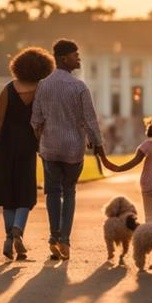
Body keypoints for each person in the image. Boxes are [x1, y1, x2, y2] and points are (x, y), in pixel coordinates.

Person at [31, 39, 104, 260]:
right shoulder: (79, 87)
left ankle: (54, 237)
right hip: (73, 149)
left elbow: (36, 120)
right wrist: (97, 144)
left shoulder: (43, 85)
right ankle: (65, 241)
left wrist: (40, 141)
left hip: (50, 148)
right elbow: (90, 120)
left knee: (52, 193)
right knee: (69, 192)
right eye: (75, 55)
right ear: (64, 58)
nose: (78, 58)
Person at [0, 47, 55, 260]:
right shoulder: (43, 91)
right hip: (27, 146)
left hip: (4, 147)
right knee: (25, 192)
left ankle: (8, 238)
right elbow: (43, 124)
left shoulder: (8, 89)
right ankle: (17, 230)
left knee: (7, 194)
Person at [101, 116, 152, 228]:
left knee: (150, 217)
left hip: (148, 184)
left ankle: (149, 239)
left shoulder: (146, 146)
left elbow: (134, 162)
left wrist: (117, 168)